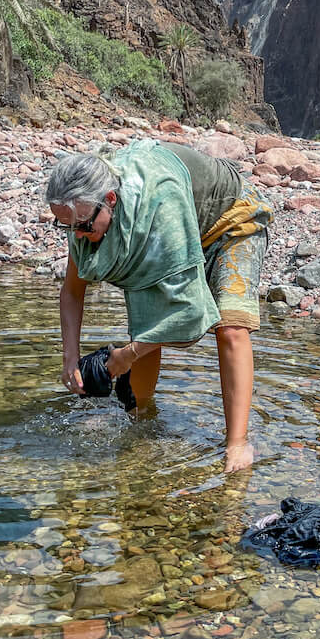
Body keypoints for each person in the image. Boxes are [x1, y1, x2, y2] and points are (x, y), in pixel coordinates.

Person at [45, 139, 272, 473]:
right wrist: (69, 359)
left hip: (230, 220)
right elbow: (72, 291)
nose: (76, 236)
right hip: (176, 220)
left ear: (110, 201)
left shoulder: (156, 203)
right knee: (145, 322)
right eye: (66, 226)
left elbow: (187, 310)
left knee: (230, 326)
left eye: (81, 227)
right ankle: (141, 419)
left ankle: (237, 444)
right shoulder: (83, 212)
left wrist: (124, 356)